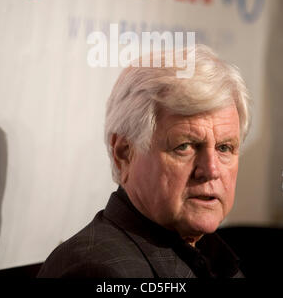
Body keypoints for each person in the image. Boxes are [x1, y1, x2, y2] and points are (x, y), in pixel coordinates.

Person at [38, 44, 250, 278]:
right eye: (185, 146)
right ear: (124, 153)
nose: (211, 170)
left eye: (224, 148)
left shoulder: (213, 255)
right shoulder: (98, 271)